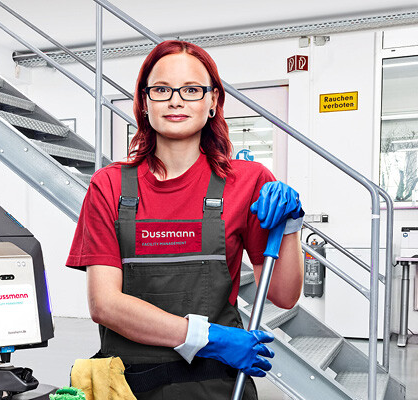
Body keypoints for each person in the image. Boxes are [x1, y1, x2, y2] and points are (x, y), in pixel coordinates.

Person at [66, 40, 304, 400]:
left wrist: (290, 226)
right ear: (144, 102)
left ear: (213, 102)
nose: (176, 100)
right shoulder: (109, 185)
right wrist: (207, 337)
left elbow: (284, 295)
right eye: (162, 89)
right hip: (127, 387)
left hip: (216, 387)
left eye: (192, 90)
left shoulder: (248, 182)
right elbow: (105, 304)